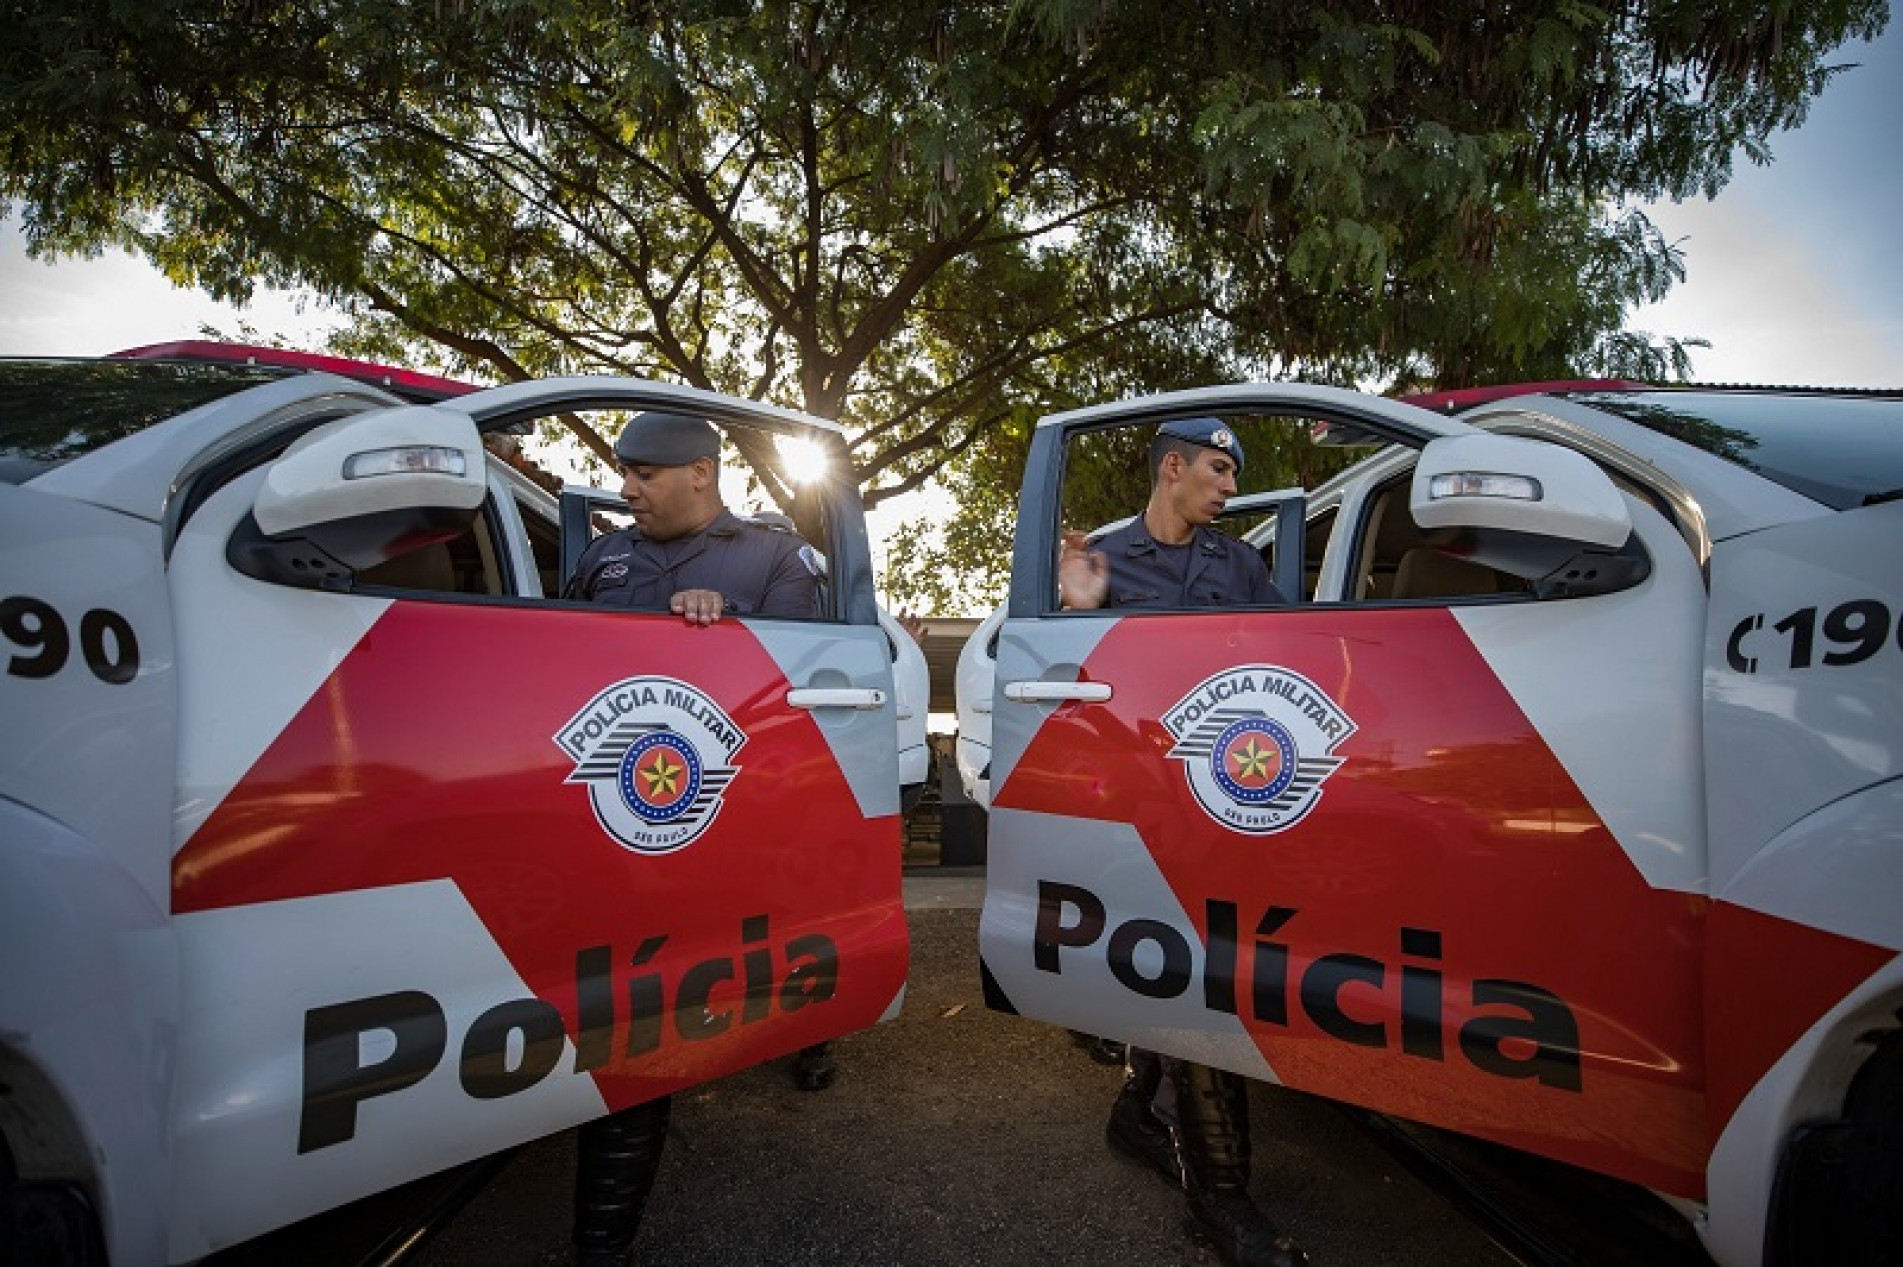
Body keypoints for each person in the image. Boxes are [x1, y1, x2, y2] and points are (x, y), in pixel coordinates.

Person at [564, 409, 821, 1266]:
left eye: (642, 473)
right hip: (608, 815)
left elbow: (802, 678)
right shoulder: (601, 557)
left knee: (755, 957)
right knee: (636, 1013)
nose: (626, 488)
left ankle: (811, 1031)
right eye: (623, 473)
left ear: (701, 474)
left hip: (730, 812)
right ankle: (602, 1241)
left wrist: (729, 625)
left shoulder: (774, 557)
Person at [1058, 417, 1306, 1267]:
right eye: (1217, 469)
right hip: (1134, 806)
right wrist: (1072, 613)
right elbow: (1059, 687)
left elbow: (1287, 663)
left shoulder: (1239, 565)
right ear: (1172, 467)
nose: (1229, 487)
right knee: (1187, 978)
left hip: (1225, 802)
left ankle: (1139, 1111)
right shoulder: (1100, 558)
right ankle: (1219, 1193)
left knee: (1192, 976)